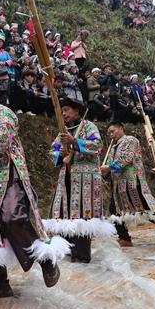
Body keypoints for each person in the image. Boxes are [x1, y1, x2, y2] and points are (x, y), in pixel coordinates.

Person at [0, 78, 68, 300]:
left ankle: (45, 259)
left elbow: (1, 138)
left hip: (7, 176)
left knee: (13, 218)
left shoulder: (3, 113)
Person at [45, 97, 114, 262]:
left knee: (83, 214)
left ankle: (81, 255)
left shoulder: (88, 126)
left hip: (85, 179)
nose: (64, 114)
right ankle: (66, 249)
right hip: (67, 177)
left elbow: (97, 145)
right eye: (62, 111)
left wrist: (74, 141)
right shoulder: (63, 131)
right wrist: (59, 154)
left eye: (67, 110)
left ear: (76, 110)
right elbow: (52, 151)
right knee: (65, 212)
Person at [101, 123, 155, 245]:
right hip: (118, 184)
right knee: (115, 209)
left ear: (121, 129)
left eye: (112, 131)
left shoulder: (131, 140)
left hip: (133, 181)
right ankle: (124, 238)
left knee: (143, 206)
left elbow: (126, 158)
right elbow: (110, 165)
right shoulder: (113, 147)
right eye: (109, 133)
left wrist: (108, 167)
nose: (111, 135)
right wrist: (105, 173)